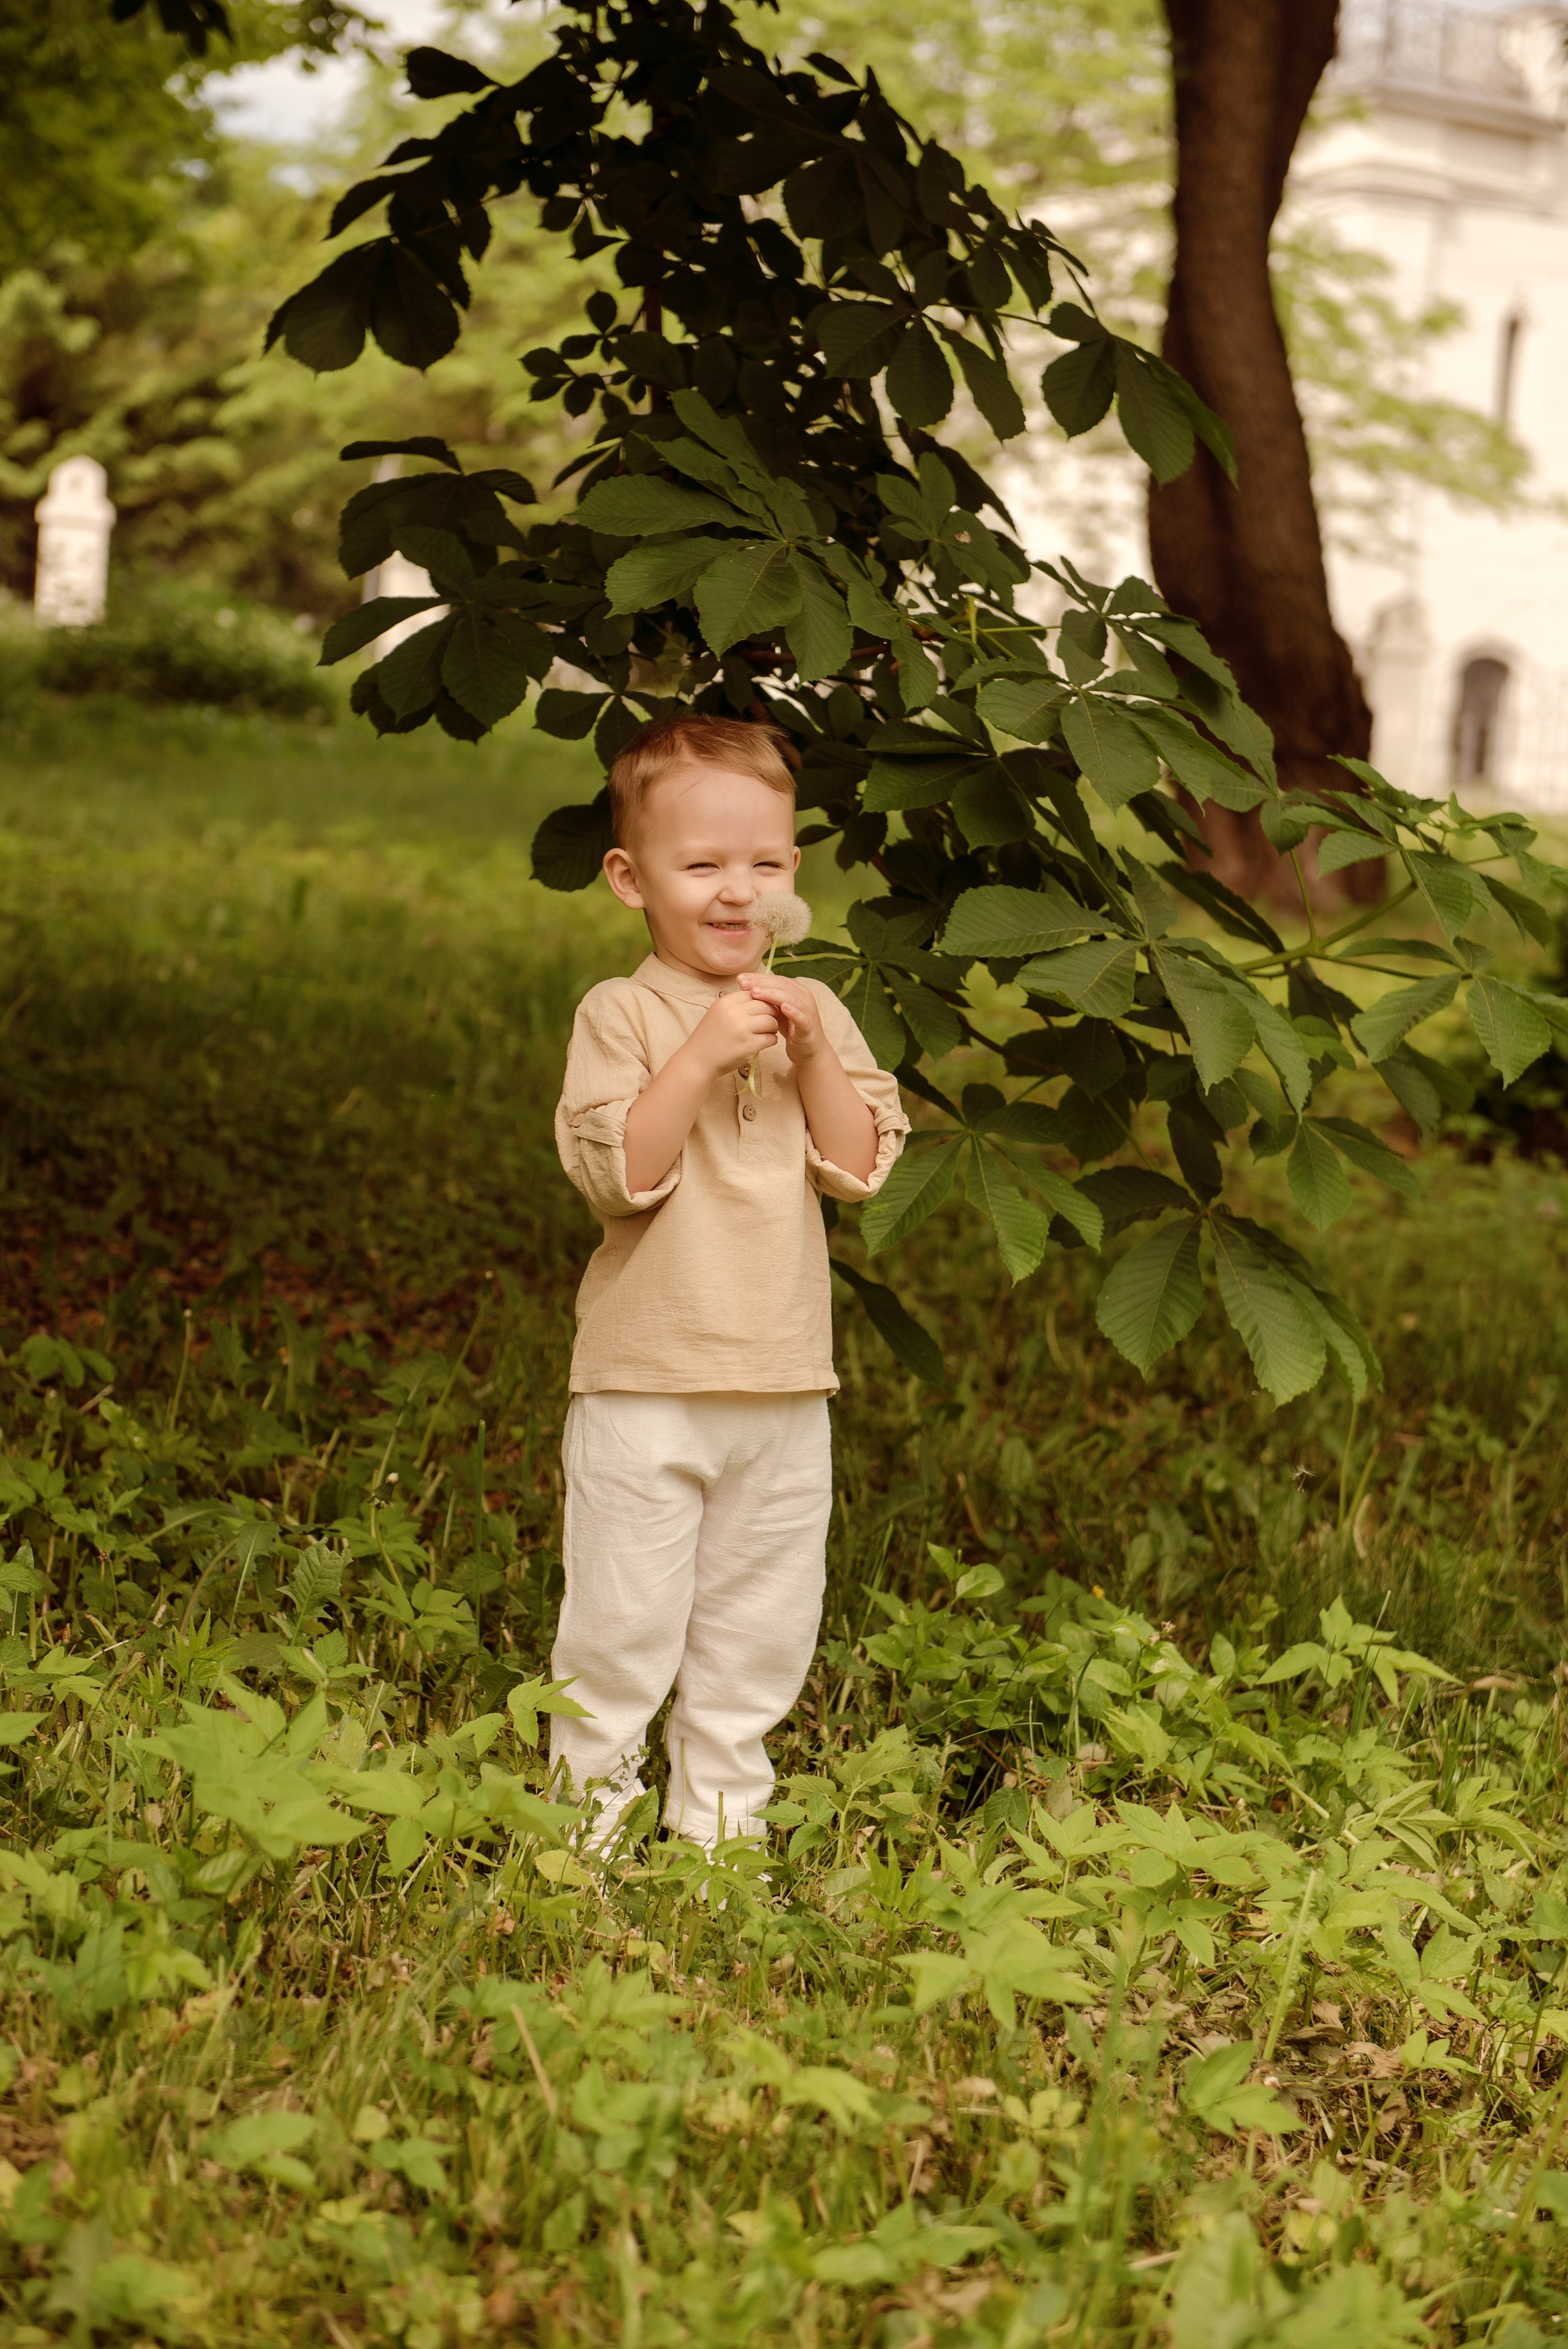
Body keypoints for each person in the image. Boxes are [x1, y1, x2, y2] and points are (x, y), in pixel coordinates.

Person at [551, 711, 909, 1853]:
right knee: (622, 1620)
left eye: (763, 865)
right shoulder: (624, 1013)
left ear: (795, 875)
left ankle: (720, 1830)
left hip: (783, 1381)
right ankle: (587, 1830)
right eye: (700, 865)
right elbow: (620, 1174)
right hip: (647, 1381)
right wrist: (703, 1051)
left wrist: (805, 1049)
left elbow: (857, 1165)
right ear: (629, 877)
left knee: (760, 1622)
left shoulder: (818, 1015)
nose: (734, 892)